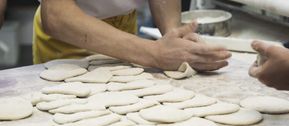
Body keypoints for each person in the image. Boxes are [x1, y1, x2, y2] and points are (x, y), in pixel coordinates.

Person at [33, 0, 231, 72]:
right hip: (71, 33)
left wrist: (173, 34)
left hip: (126, 27)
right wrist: (154, 53)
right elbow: (57, 15)